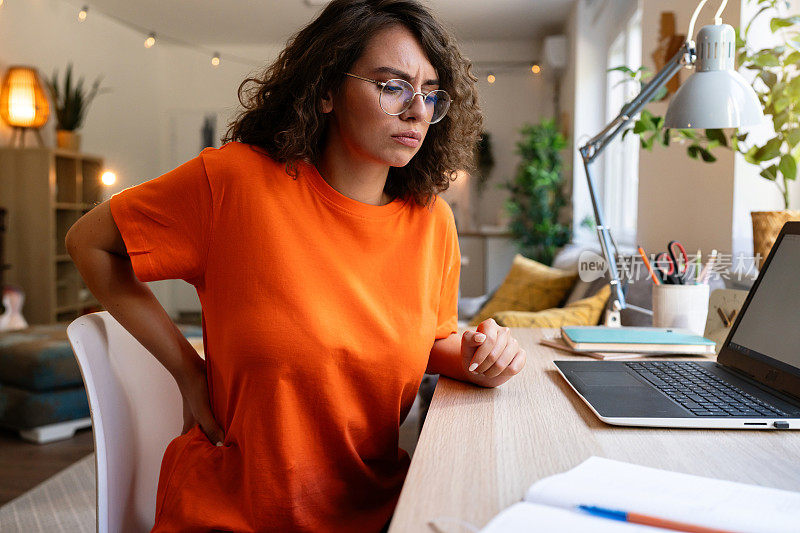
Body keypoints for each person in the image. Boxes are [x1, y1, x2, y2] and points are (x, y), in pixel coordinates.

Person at [65, 0, 526, 531]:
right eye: (390, 85)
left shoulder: (431, 222)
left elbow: (427, 341)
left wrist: (481, 357)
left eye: (428, 93)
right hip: (235, 513)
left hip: (376, 511)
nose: (416, 109)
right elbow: (89, 243)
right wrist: (189, 373)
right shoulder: (235, 184)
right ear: (326, 89)